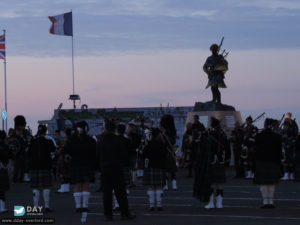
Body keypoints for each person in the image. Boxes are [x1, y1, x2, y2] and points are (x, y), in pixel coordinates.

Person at [97, 119, 136, 221]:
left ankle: (108, 214)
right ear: (115, 129)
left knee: (107, 193)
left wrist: (99, 167)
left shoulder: (100, 140)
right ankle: (125, 213)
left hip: (105, 169)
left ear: (105, 128)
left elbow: (96, 155)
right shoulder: (119, 140)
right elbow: (124, 155)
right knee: (120, 193)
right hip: (117, 169)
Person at [193, 117, 230, 209]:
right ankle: (219, 203)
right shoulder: (223, 134)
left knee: (211, 183)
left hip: (211, 161)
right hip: (220, 161)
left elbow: (203, 147)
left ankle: (211, 203)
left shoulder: (209, 134)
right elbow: (227, 149)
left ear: (212, 125)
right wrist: (226, 160)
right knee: (220, 183)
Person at [64, 121, 97, 213]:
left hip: (75, 164)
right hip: (88, 164)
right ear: (86, 128)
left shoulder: (71, 140)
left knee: (77, 185)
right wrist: (95, 166)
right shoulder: (90, 140)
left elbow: (66, 151)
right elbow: (94, 154)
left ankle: (78, 206)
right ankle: (84, 206)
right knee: (86, 184)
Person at [254, 118, 282, 208]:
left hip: (261, 162)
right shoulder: (277, 137)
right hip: (273, 162)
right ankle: (271, 201)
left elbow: (255, 151)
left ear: (265, 125)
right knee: (271, 183)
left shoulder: (259, 136)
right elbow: (279, 152)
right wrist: (279, 163)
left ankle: (265, 201)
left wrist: (255, 162)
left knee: (263, 183)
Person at [28, 125, 56, 212]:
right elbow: (54, 150)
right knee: (46, 186)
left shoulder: (33, 141)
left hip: (35, 166)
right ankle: (47, 206)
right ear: (45, 131)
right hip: (46, 166)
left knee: (35, 187)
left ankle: (36, 207)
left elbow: (28, 153)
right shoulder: (48, 141)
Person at [143, 128, 167, 211]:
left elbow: (144, 155)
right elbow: (165, 156)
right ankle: (159, 205)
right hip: (160, 166)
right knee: (159, 186)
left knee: (151, 186)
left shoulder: (148, 144)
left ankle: (151, 206)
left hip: (150, 166)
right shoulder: (163, 144)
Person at [160, 114, 178, 191]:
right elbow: (173, 141)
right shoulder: (173, 130)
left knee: (164, 168)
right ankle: (174, 184)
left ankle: (166, 184)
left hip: (164, 150)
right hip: (171, 151)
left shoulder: (163, 131)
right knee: (172, 168)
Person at [56, 128, 72, 193]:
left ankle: (63, 188)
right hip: (70, 158)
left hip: (63, 158)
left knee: (62, 173)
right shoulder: (72, 139)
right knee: (67, 173)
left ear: (65, 133)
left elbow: (61, 149)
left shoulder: (63, 140)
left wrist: (58, 152)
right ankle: (67, 188)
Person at [0, 131, 12, 213]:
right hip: (2, 167)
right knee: (2, 188)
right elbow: (9, 155)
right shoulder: (4, 146)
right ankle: (2, 207)